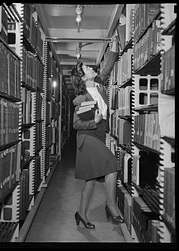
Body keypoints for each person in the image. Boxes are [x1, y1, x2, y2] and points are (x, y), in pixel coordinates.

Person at [70, 37, 124, 229]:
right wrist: (95, 120)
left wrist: (115, 47)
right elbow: (77, 124)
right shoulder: (83, 98)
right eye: (86, 68)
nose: (91, 68)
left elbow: (106, 69)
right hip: (88, 139)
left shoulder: (99, 87)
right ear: (83, 78)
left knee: (90, 181)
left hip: (98, 138)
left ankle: (81, 215)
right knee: (111, 166)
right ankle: (111, 205)